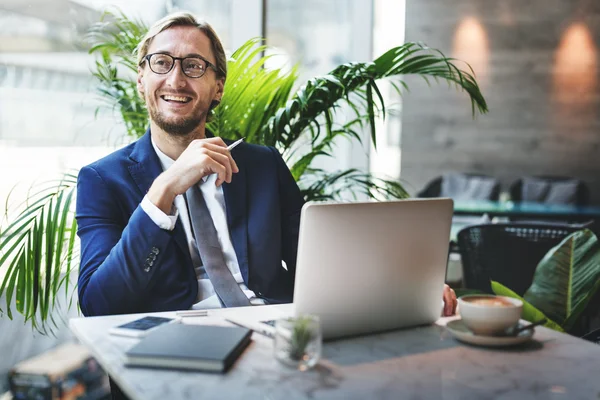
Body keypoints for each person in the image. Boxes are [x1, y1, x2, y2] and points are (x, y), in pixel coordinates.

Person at [76, 12, 457, 318]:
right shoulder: (102, 180)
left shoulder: (262, 165)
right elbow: (99, 304)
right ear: (142, 79)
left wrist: (404, 289)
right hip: (173, 348)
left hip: (274, 334)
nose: (176, 78)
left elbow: (317, 262)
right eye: (161, 63)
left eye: (193, 66)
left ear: (218, 87)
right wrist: (165, 189)